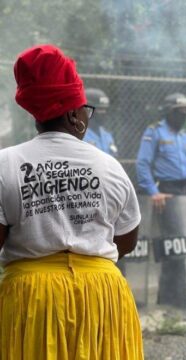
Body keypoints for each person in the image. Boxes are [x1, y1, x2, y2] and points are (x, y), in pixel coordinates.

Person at [0, 45, 143, 359]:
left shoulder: (5, 164)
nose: (86, 117)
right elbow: (127, 240)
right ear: (72, 114)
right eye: (85, 110)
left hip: (31, 299)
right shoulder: (109, 166)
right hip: (101, 297)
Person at [136, 93, 186, 211]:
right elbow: (143, 163)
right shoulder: (154, 132)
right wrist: (154, 192)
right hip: (165, 190)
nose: (183, 114)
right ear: (168, 111)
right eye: (179, 111)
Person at [83, 87, 118, 157]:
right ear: (88, 110)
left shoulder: (107, 135)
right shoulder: (79, 136)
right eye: (100, 109)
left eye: (105, 109)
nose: (104, 113)